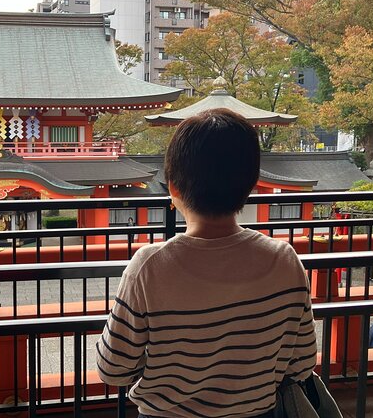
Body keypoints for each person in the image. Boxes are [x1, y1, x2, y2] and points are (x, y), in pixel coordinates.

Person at [96, 109, 317, 418]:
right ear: (252, 185)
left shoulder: (149, 267)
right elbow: (303, 362)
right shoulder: (285, 260)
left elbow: (112, 369)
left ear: (173, 189)